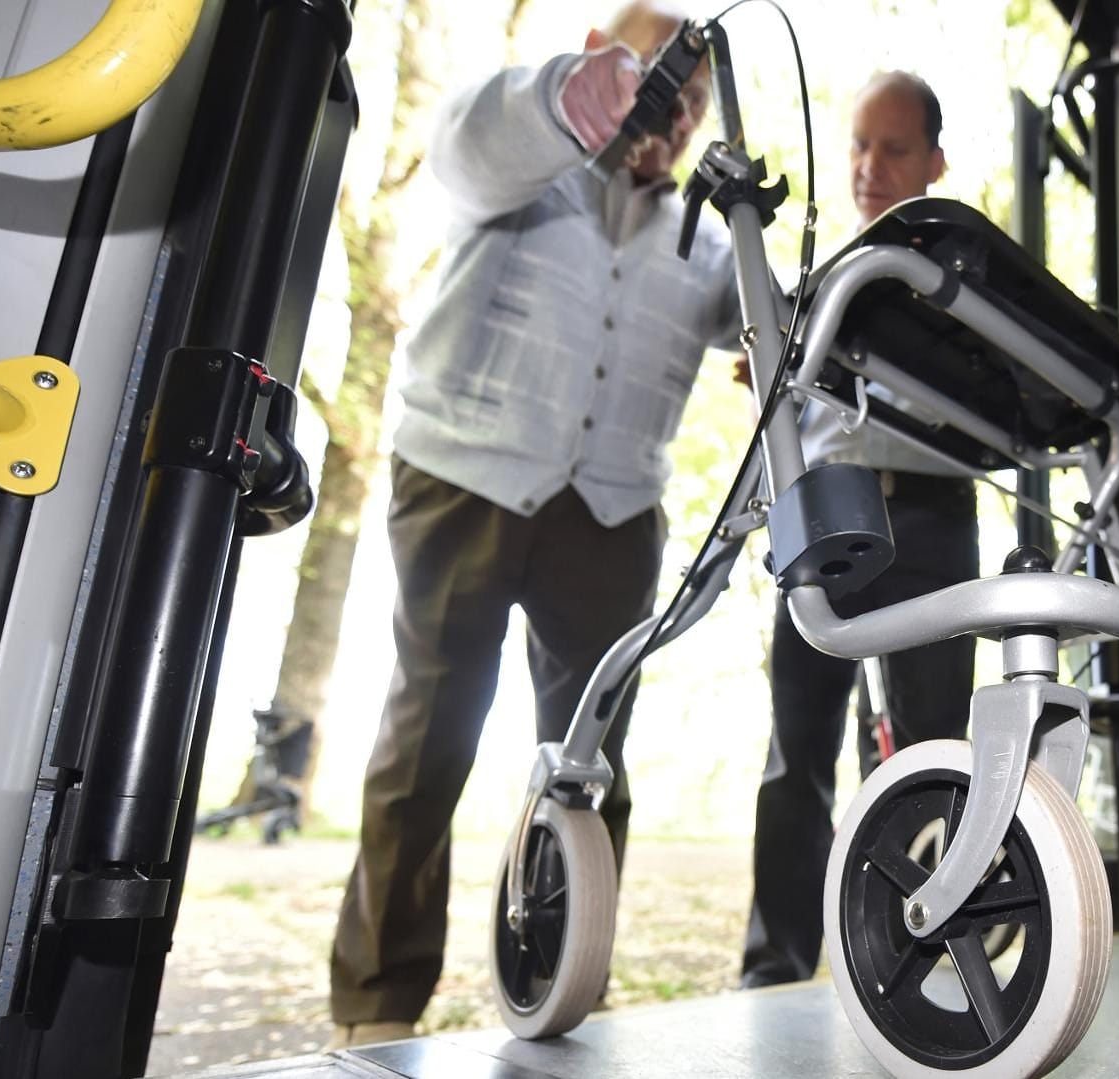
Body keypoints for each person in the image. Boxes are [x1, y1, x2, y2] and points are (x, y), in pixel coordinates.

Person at [328, 1, 737, 1047]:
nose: (677, 112)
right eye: (661, 81)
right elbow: (469, 140)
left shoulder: (702, 234)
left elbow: (763, 318)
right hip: (463, 477)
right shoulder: (524, 154)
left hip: (610, 511)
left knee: (591, 761)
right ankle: (378, 1006)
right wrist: (573, 98)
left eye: (693, 100)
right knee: (425, 739)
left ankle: (558, 986)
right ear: (604, 59)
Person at [740, 70, 980, 988]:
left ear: (935, 162)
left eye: (894, 149)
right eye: (859, 146)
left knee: (932, 748)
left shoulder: (963, 286)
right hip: (824, 508)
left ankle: (918, 958)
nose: (870, 166)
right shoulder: (807, 291)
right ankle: (775, 966)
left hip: (930, 512)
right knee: (796, 751)